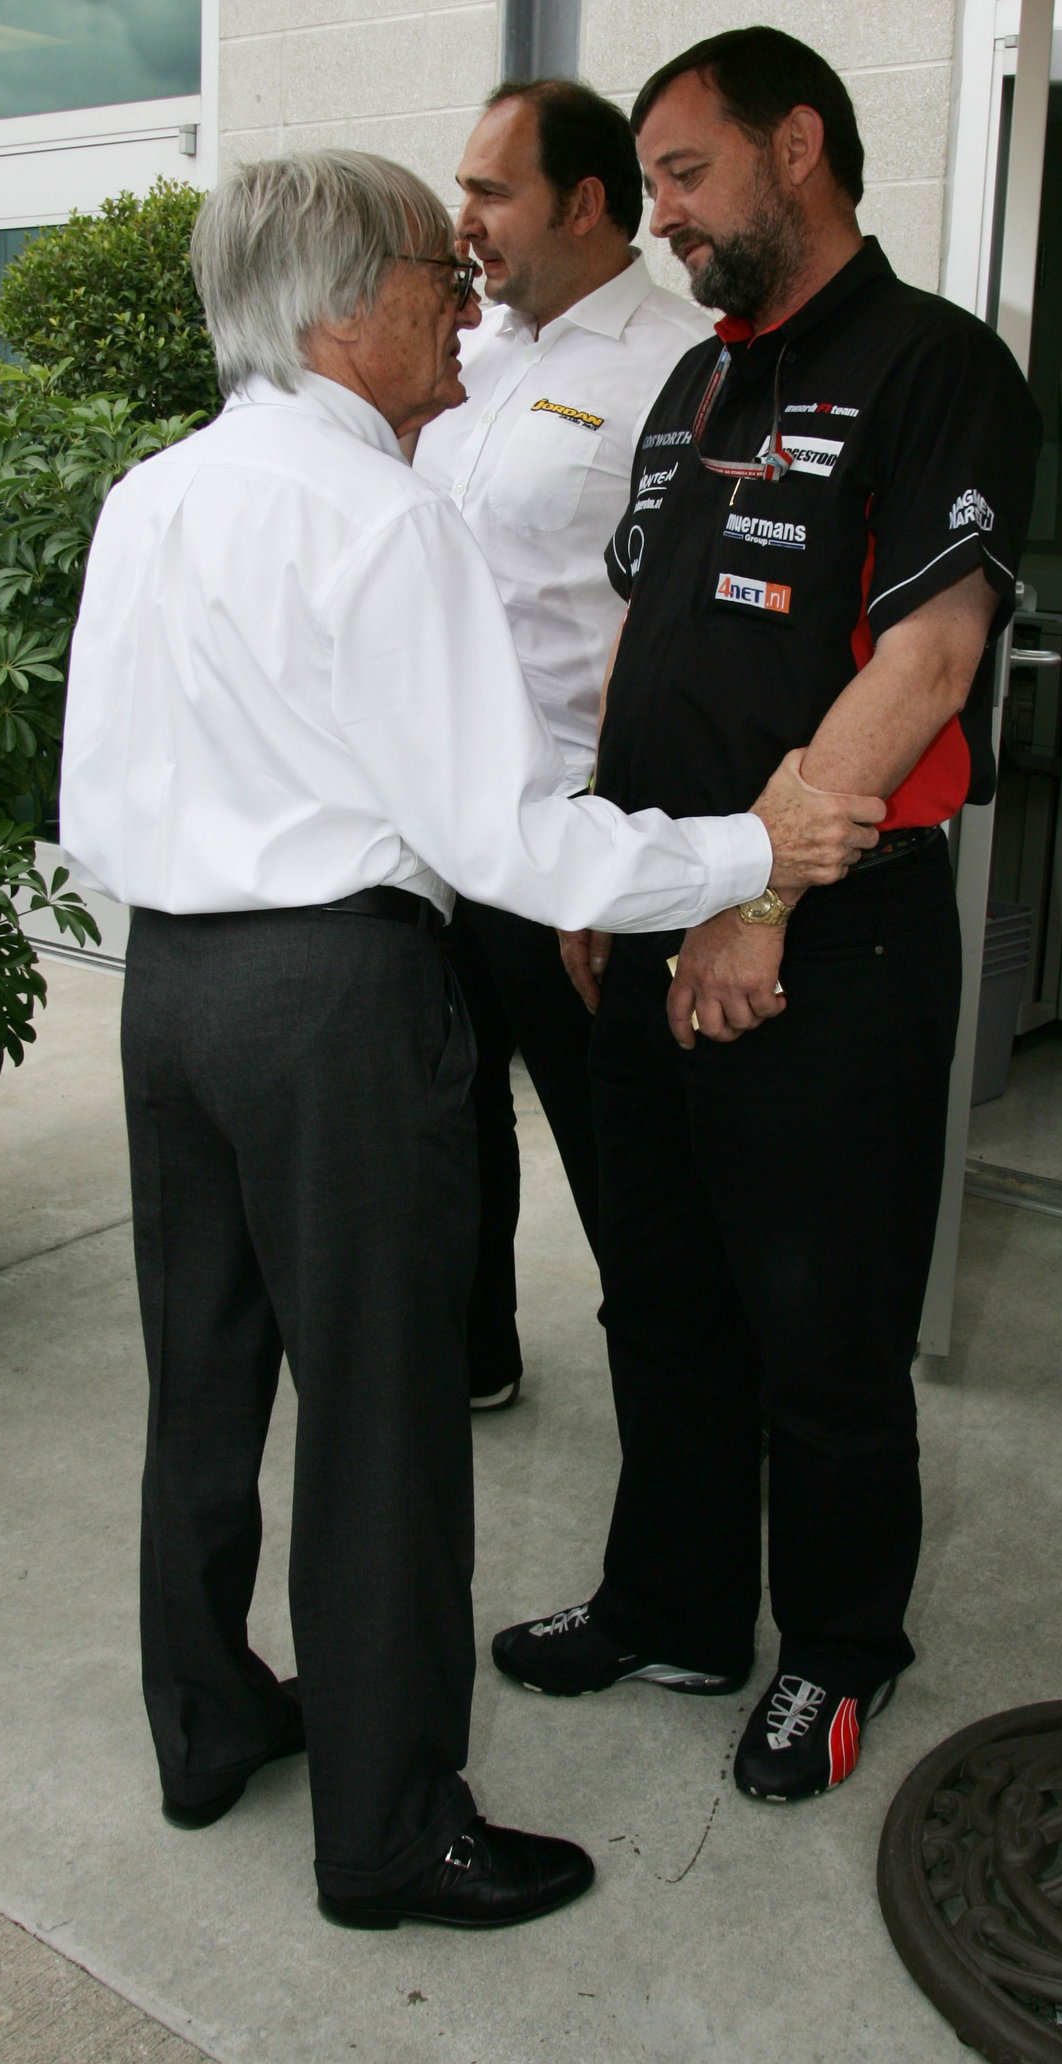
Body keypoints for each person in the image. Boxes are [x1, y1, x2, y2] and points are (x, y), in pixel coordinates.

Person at [59, 150, 886, 1931]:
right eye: (443, 275)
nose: (472, 302)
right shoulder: (379, 517)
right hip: (332, 1004)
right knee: (381, 1420)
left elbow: (94, 792)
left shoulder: (159, 493)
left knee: (205, 1390)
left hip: (181, 991)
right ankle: (388, 1828)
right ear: (347, 308)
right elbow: (514, 839)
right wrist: (759, 848)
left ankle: (208, 1722)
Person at [491, 29, 1040, 1803]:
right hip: (656, 918)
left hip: (828, 941)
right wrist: (604, 858)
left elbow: (932, 654)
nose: (661, 216)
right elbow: (647, 642)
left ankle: (839, 1646)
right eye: (651, 182)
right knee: (659, 1298)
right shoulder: (700, 383)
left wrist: (758, 894)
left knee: (820, 1328)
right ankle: (673, 1603)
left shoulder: (936, 366)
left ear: (797, 148)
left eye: (684, 173)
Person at [412, 79, 706, 1410]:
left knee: (619, 1149)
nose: (461, 217)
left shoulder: (682, 368)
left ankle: (687, 1408)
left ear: (585, 204)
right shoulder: (462, 357)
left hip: (570, 826)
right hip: (434, 820)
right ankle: (472, 1353)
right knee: (447, 1114)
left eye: (490, 189)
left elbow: (682, 620)